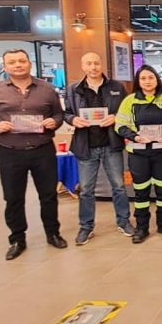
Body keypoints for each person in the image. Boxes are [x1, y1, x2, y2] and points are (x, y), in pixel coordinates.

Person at [0, 49, 66, 260]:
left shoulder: (47, 89)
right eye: (12, 62)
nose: (18, 65)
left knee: (49, 195)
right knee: (13, 197)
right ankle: (17, 239)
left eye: (22, 61)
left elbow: (58, 114)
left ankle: (53, 233)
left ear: (29, 63)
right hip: (10, 151)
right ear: (5, 66)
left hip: (42, 150)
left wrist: (54, 122)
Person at [63, 52, 133, 246]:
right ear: (83, 66)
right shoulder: (73, 90)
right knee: (86, 189)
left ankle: (124, 221)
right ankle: (86, 226)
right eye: (89, 63)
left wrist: (116, 117)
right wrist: (73, 119)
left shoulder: (117, 87)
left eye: (96, 63)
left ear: (102, 64)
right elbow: (65, 113)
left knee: (119, 186)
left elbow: (128, 111)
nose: (93, 67)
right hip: (85, 146)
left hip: (111, 144)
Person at [116, 65, 162, 243]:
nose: (147, 81)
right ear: (138, 81)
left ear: (157, 79)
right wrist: (135, 137)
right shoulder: (129, 101)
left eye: (151, 77)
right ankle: (142, 227)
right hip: (138, 154)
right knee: (141, 193)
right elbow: (120, 125)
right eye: (143, 78)